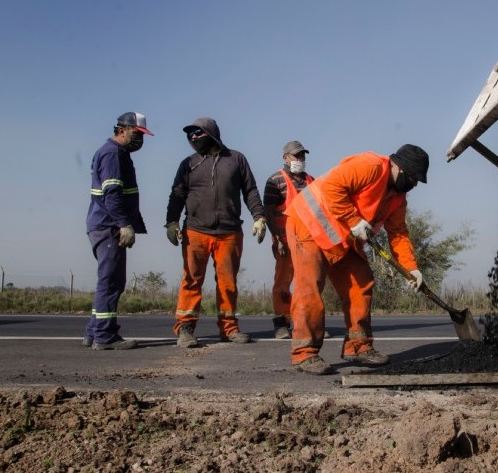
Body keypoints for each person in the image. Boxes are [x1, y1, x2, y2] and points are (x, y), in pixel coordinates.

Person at [285, 144, 429, 375]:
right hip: (309, 223)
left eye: (416, 182)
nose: (412, 184)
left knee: (361, 282)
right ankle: (305, 353)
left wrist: (411, 268)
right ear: (397, 166)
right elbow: (332, 186)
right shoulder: (370, 166)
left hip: (341, 236)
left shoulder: (398, 199)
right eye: (410, 178)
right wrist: (353, 219)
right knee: (309, 287)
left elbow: (399, 234)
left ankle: (358, 347)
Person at [165, 117, 267, 348]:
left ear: (211, 133)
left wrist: (259, 217)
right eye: (190, 134)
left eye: (197, 133)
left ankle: (229, 329)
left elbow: (250, 190)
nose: (192, 137)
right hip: (195, 231)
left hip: (229, 232)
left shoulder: (236, 159)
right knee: (191, 280)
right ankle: (185, 329)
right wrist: (171, 222)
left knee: (227, 283)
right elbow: (177, 195)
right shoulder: (188, 163)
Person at [84, 112, 153, 350]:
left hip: (102, 224)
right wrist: (124, 224)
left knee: (108, 280)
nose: (140, 140)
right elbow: (112, 194)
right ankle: (105, 336)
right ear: (122, 130)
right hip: (109, 225)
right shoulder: (113, 154)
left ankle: (94, 331)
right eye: (137, 134)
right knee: (112, 282)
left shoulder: (116, 152)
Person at [263, 140, 316, 339]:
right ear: (285, 157)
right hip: (285, 242)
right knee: (283, 283)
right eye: (296, 155)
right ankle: (281, 324)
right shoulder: (275, 180)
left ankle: (307, 322)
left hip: (308, 242)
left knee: (308, 283)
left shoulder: (311, 181)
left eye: (302, 155)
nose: (300, 159)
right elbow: (268, 212)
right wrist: (277, 239)